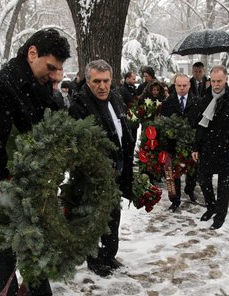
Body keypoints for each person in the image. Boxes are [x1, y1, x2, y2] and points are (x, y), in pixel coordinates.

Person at [0, 28, 70, 295]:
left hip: (34, 191)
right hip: (2, 192)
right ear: (32, 53)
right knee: (5, 260)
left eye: (58, 70)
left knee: (37, 260)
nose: (53, 74)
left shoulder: (40, 88)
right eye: (50, 67)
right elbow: (0, 150)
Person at [69, 60, 134, 277]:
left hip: (116, 169)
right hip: (94, 175)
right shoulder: (79, 105)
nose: (102, 86)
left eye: (106, 81)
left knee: (113, 216)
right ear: (88, 81)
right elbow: (80, 143)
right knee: (95, 219)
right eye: (96, 81)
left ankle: (108, 255)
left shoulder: (114, 97)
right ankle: (95, 260)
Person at [192, 65, 229, 230]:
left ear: (226, 80)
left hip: (227, 149)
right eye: (213, 81)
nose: (216, 84)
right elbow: (200, 127)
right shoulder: (205, 98)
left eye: (219, 81)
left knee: (224, 185)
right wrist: (196, 147)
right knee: (203, 179)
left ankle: (220, 215)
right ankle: (211, 207)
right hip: (207, 147)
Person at [161, 73, 200, 211]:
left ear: (189, 85)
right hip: (174, 144)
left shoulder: (197, 102)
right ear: (175, 85)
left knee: (192, 172)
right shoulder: (167, 103)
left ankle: (189, 190)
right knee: (175, 173)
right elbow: (163, 124)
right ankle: (176, 200)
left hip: (191, 145)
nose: (182, 88)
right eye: (179, 85)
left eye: (185, 85)